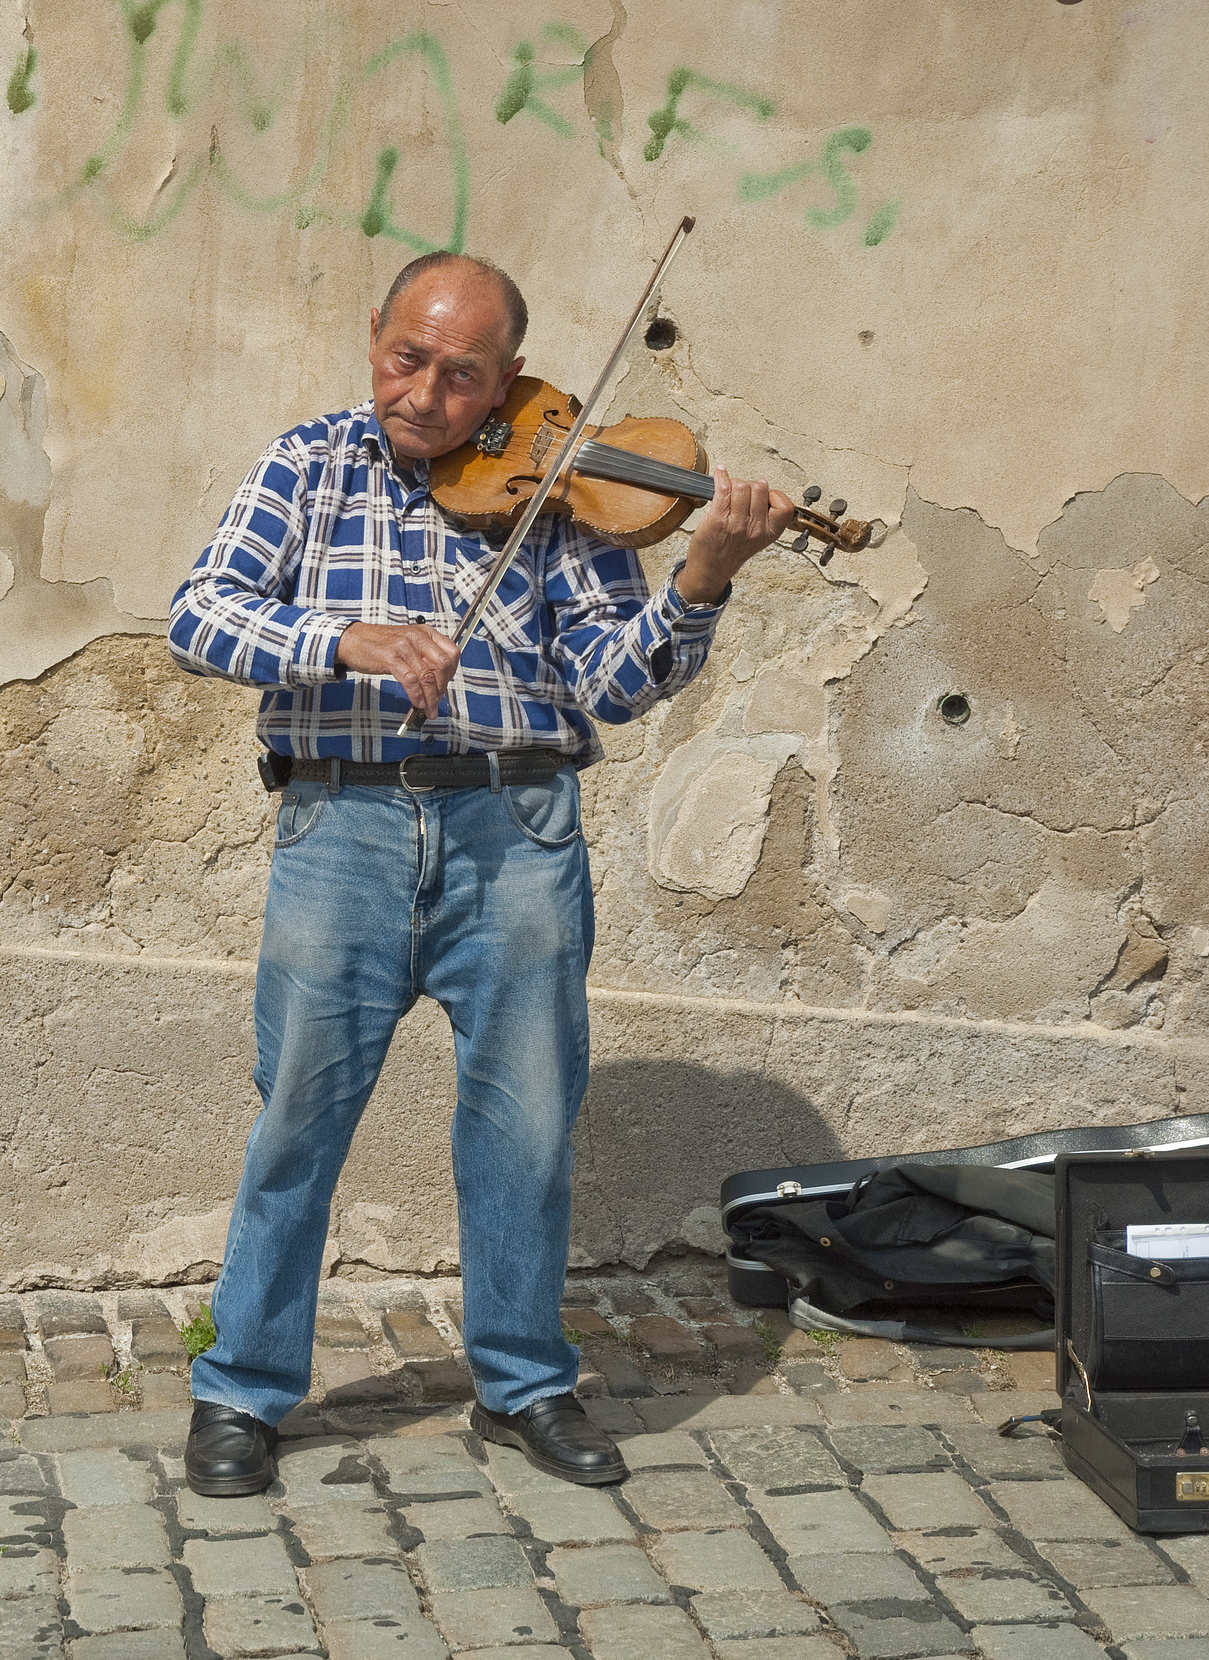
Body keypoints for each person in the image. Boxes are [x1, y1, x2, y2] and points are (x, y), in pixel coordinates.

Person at [164, 251, 795, 1494]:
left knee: (525, 1128)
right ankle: (241, 1388)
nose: (428, 396)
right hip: (337, 831)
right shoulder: (310, 462)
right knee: (297, 1118)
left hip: (518, 831)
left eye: (463, 375)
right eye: (409, 359)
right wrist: (340, 637)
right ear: (373, 339)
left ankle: (522, 1381)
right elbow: (197, 616)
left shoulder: (561, 486)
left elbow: (614, 682)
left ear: (507, 377)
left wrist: (702, 578)